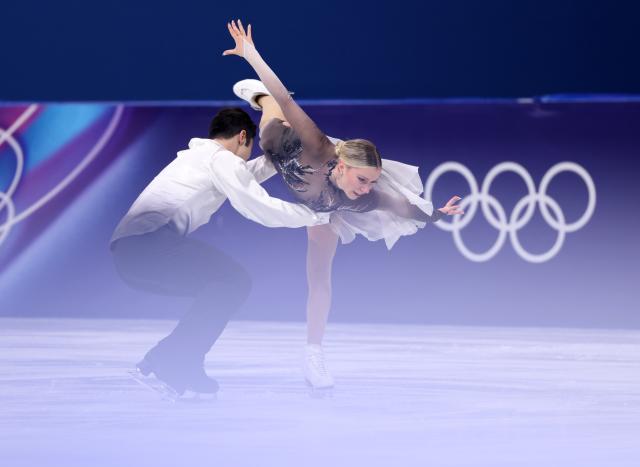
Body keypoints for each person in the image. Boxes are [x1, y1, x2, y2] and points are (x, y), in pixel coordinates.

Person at [223, 20, 464, 389]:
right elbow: (289, 103)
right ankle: (260, 96)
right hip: (278, 146)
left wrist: (435, 214)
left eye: (372, 181)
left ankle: (313, 355)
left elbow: (402, 207)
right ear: (340, 165)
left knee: (319, 279)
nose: (369, 189)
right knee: (274, 106)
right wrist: (251, 54)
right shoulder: (319, 147)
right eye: (364, 179)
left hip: (319, 207)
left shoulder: (362, 201)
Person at [110, 107, 329, 396]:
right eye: (249, 148)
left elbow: (243, 176)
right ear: (242, 136)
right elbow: (256, 204)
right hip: (150, 245)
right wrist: (315, 216)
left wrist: (276, 159)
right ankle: (167, 357)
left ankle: (183, 363)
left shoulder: (202, 157)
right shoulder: (220, 159)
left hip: (130, 253)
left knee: (219, 287)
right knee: (234, 281)